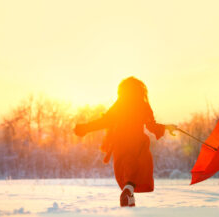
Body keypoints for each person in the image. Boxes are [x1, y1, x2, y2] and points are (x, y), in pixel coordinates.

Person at [74, 76, 177, 207]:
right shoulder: (143, 105)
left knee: (128, 170)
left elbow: (105, 121)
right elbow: (151, 125)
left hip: (120, 143)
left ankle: (129, 197)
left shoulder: (119, 106)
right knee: (137, 169)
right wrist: (167, 127)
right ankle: (128, 192)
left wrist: (85, 128)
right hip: (137, 142)